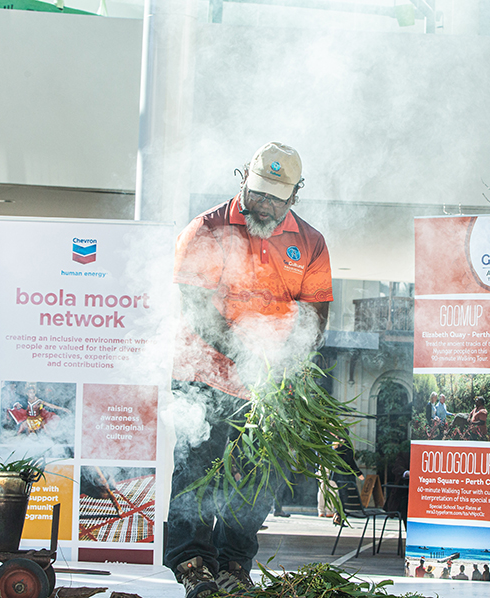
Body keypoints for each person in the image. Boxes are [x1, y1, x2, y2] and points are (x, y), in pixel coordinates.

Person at [165, 142, 333, 598]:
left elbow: (316, 313)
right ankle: (193, 563)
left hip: (270, 384)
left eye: (274, 198)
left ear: (294, 196)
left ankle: (235, 563)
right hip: (204, 372)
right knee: (198, 469)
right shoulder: (207, 228)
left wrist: (290, 362)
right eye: (256, 192)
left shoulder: (310, 243)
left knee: (257, 475)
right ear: (243, 179)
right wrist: (248, 354)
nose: (262, 204)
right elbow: (199, 310)